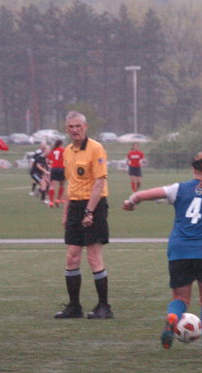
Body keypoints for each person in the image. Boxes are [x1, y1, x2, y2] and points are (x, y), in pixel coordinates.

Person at [122, 152, 202, 355]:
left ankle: (172, 318)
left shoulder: (178, 189)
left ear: (193, 168)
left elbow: (142, 195)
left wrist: (131, 201)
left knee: (180, 298)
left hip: (179, 251)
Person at [54, 111, 112, 319]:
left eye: (78, 126)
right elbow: (71, 184)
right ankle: (74, 306)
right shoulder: (67, 151)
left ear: (85, 127)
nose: (75, 130)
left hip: (94, 205)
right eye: (71, 127)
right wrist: (66, 212)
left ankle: (104, 306)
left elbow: (99, 182)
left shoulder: (96, 148)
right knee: (71, 257)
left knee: (93, 256)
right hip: (75, 206)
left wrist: (89, 211)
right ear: (66, 129)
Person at [47, 139, 65, 207]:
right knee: (62, 185)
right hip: (62, 168)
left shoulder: (52, 151)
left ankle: (51, 202)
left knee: (52, 186)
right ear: (61, 144)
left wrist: (51, 164)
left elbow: (48, 161)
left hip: (54, 169)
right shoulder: (63, 150)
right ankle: (58, 199)